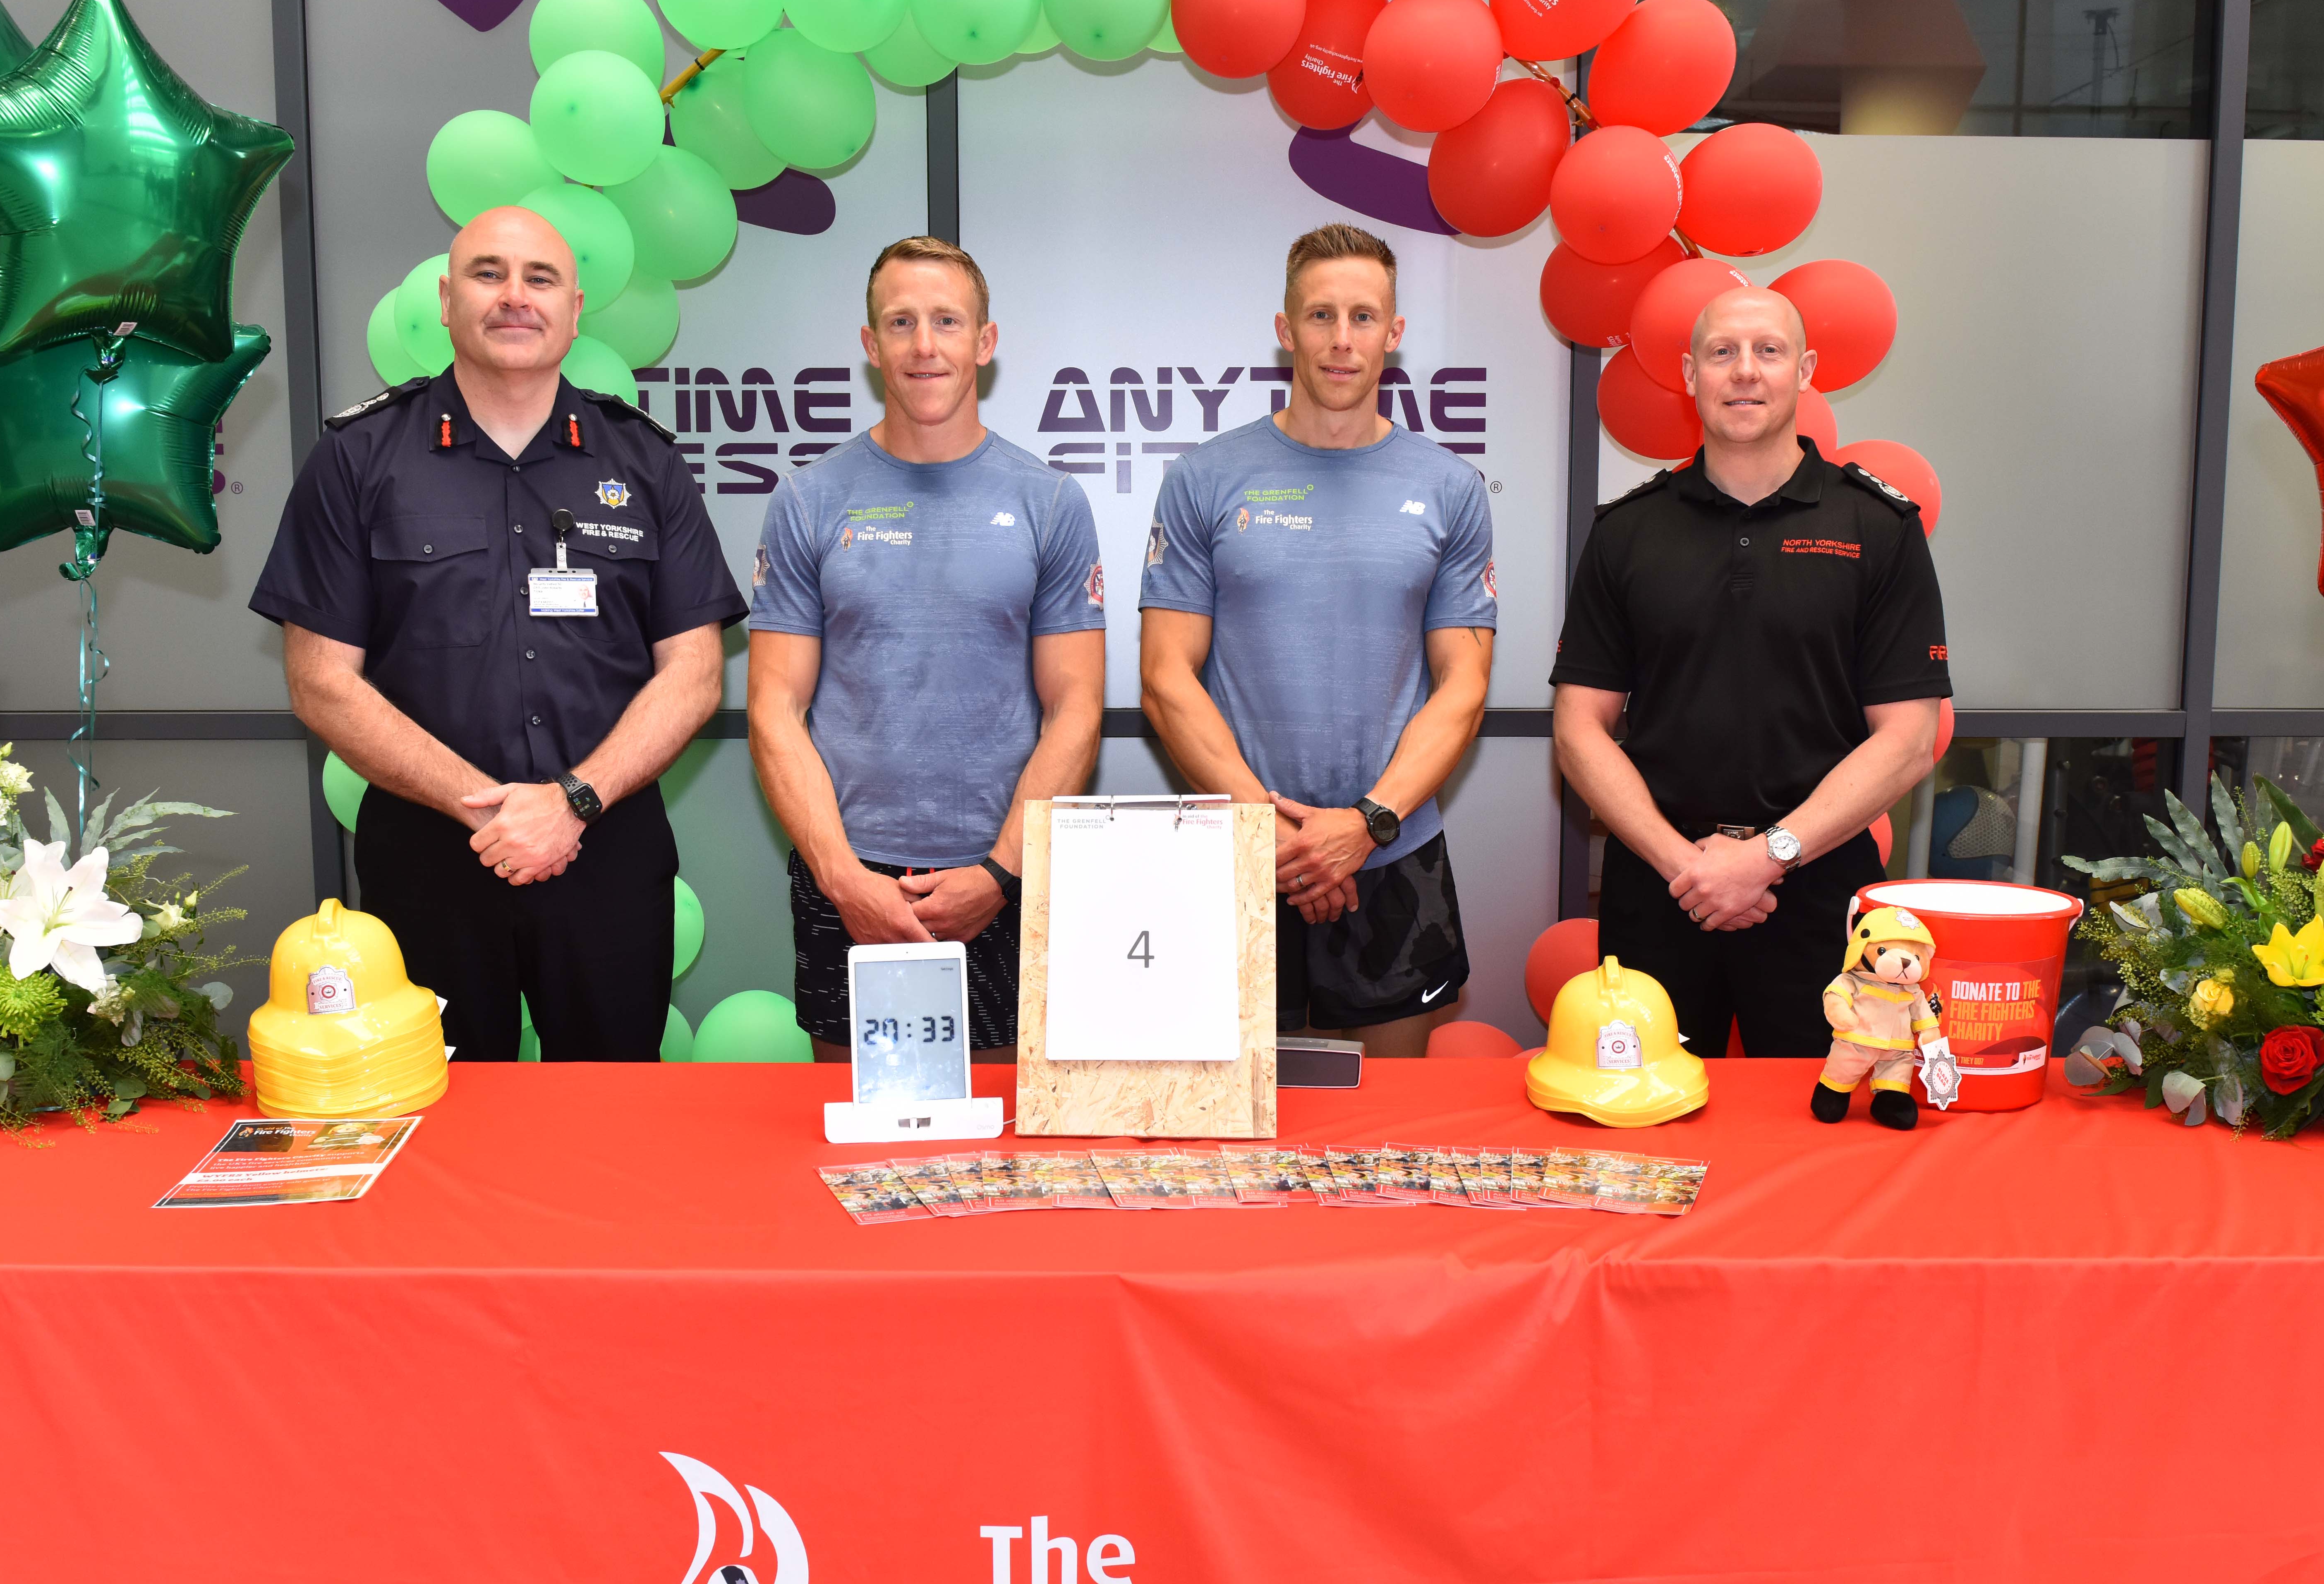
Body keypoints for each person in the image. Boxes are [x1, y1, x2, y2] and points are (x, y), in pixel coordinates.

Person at [251, 204, 742, 1062]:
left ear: (575, 309)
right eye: (488, 273)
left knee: (612, 1120)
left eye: (539, 278)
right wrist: (490, 810)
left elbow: (696, 672)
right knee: (436, 1116)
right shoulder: (358, 458)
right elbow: (320, 679)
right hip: (429, 855)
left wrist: (570, 802)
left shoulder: (643, 461)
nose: (514, 296)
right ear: (445, 299)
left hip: (606, 851)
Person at [1550, 284, 1949, 1064]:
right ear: (1690, 375)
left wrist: (1766, 857)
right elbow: (1579, 728)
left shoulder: (1877, 527)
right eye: (1722, 352)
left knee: (1823, 1132)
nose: (1745, 371)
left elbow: (1907, 739)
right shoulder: (1628, 531)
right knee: (1641, 1125)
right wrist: (1687, 867)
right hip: (1662, 890)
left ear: (1805, 372)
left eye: (1768, 352)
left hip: (1820, 894)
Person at [1140, 223, 1495, 1056]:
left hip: (1392, 850)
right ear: (1284, 327)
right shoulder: (1203, 478)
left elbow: (1463, 685)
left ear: (1394, 334)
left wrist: (1364, 823)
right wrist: (1265, 823)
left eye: (1363, 317)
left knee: (1385, 1134)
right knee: (1230, 1134)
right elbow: (1164, 677)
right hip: (1238, 851)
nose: (1341, 340)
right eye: (1320, 315)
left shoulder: (1449, 487)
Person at [746, 236, 1104, 1058]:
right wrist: (842, 878)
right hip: (848, 876)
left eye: (946, 321)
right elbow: (772, 705)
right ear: (870, 346)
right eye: (900, 323)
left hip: (1001, 874)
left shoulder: (1049, 501)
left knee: (1007, 1134)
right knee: (855, 1120)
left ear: (984, 340)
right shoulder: (809, 499)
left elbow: (1076, 706)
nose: (924, 345)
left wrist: (1001, 874)